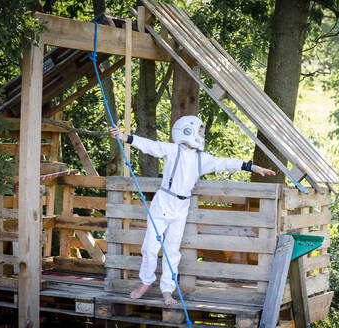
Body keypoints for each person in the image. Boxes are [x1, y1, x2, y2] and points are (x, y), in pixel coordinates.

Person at [108, 115, 275, 305]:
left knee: (172, 250)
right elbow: (151, 146)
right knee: (150, 247)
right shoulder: (172, 150)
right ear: (188, 131)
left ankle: (167, 291)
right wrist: (124, 137)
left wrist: (252, 167)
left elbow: (225, 162)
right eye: (200, 131)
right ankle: (145, 282)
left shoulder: (201, 159)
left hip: (182, 207)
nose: (202, 134)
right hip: (163, 203)